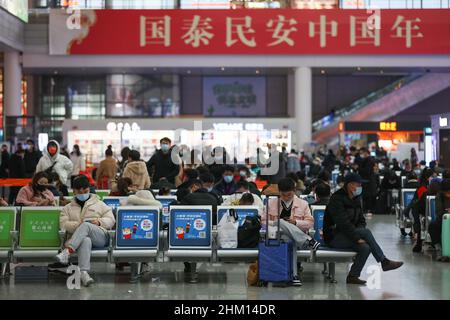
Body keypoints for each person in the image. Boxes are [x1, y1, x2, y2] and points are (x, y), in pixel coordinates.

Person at [323, 173, 403, 285]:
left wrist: (359, 234)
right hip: (334, 237)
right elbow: (342, 223)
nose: (360, 186)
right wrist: (357, 237)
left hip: (349, 235)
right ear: (350, 185)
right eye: (358, 184)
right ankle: (384, 261)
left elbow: (361, 220)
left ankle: (353, 276)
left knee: (365, 248)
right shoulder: (337, 199)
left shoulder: (356, 198)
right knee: (366, 232)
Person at [56, 175, 115, 287]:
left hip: (99, 236)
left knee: (86, 225)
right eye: (79, 190)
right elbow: (64, 224)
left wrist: (98, 222)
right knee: (85, 239)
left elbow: (111, 220)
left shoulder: (100, 204)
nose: (82, 193)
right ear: (74, 191)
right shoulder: (67, 208)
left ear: (89, 189)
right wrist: (78, 225)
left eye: (85, 190)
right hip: (79, 239)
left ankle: (67, 251)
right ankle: (84, 273)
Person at [263, 178, 319, 286]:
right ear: (279, 192)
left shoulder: (303, 204)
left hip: (297, 242)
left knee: (289, 239)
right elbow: (263, 222)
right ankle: (294, 274)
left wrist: (295, 222)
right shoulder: (271, 203)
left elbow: (310, 223)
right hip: (275, 237)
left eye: (289, 195)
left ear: (294, 191)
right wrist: (278, 223)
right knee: (281, 222)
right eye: (283, 195)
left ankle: (290, 274)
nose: (286, 197)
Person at [428, 179, 450, 262]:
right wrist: (447, 211)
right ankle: (438, 249)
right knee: (432, 226)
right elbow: (439, 212)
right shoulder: (439, 196)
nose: (448, 194)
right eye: (446, 192)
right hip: (442, 220)